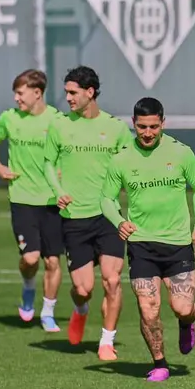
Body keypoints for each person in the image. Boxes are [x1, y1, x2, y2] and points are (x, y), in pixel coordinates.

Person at [100, 97, 195, 381]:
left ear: (163, 123)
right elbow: (106, 198)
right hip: (142, 245)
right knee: (149, 310)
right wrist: (119, 221)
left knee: (183, 308)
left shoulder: (181, 152)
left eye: (153, 127)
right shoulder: (121, 158)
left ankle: (186, 323)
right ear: (133, 124)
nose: (147, 133)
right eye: (142, 127)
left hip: (178, 244)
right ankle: (160, 363)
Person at [44, 66, 133, 350]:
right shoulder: (59, 125)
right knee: (83, 289)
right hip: (75, 217)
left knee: (112, 281)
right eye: (67, 92)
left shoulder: (117, 128)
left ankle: (106, 342)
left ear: (90, 92)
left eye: (73, 92)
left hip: (109, 217)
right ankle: (80, 309)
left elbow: (131, 166)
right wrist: (58, 192)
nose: (68, 98)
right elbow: (48, 163)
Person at [0, 70, 63, 332]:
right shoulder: (9, 118)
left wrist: (64, 172)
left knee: (52, 261)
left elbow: (70, 151)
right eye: (15, 93)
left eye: (20, 93)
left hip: (52, 200)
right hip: (22, 198)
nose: (16, 98)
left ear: (37, 93)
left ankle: (48, 313)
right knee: (30, 259)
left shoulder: (57, 120)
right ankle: (28, 288)